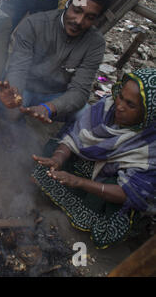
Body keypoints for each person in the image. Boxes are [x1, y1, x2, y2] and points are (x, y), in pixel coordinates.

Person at [31, 69, 156, 248]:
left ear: (148, 112)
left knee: (115, 213)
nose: (120, 106)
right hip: (89, 167)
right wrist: (58, 159)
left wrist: (78, 182)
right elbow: (74, 136)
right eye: (120, 96)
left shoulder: (150, 144)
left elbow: (130, 193)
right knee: (52, 151)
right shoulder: (106, 107)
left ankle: (83, 213)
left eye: (131, 105)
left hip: (111, 187)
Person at [0, 0, 112, 127]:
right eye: (77, 10)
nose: (78, 20)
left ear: (97, 19)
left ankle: (59, 146)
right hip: (25, 89)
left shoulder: (95, 43)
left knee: (85, 114)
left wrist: (49, 108)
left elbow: (80, 91)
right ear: (68, 2)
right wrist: (15, 97)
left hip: (54, 96)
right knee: (6, 104)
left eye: (89, 17)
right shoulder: (35, 24)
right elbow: (18, 70)